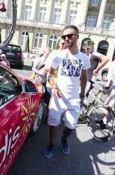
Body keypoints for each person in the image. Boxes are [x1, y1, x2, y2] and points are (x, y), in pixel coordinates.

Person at [44, 25, 90, 158]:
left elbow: (84, 77)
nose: (66, 39)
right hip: (58, 96)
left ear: (77, 36)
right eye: (64, 36)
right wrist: (54, 87)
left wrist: (82, 95)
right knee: (53, 123)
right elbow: (51, 75)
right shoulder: (58, 55)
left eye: (69, 36)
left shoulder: (84, 58)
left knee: (71, 125)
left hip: (74, 98)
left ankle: (64, 139)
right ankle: (51, 144)